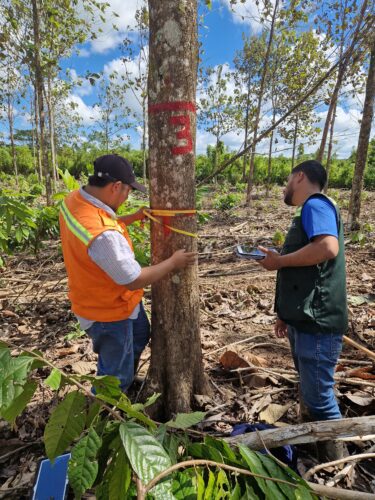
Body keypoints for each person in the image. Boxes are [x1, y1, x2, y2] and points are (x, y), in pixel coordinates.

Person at [59, 154, 196, 392]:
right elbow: (133, 279)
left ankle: (125, 379)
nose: (127, 197)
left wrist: (130, 218)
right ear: (115, 187)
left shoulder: (75, 200)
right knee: (113, 378)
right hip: (107, 313)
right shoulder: (104, 236)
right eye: (128, 191)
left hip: (107, 300)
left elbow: (99, 223)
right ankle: (105, 416)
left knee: (141, 334)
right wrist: (173, 262)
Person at [258, 160, 348, 461]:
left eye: (287, 180)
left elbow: (327, 248)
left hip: (318, 323)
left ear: (299, 177)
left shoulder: (315, 205)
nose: (285, 187)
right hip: (306, 320)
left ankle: (339, 462)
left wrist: (279, 261)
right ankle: (317, 449)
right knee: (312, 394)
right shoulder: (309, 210)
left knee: (320, 399)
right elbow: (311, 272)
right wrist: (287, 313)